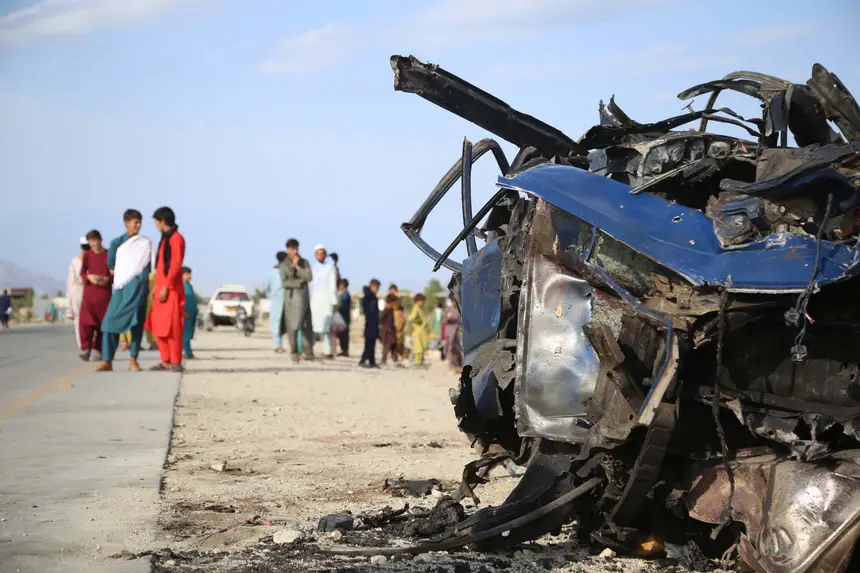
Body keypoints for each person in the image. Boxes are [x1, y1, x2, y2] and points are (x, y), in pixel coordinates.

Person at [97, 209, 153, 372]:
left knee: (137, 324)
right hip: (122, 289)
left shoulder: (145, 243)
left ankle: (133, 360)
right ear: (126, 223)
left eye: (140, 222)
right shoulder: (116, 243)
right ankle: (107, 360)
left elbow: (149, 266)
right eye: (135, 222)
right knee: (109, 323)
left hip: (140, 289)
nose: (138, 225)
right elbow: (112, 268)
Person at [146, 207, 186, 372]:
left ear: (163, 221)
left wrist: (167, 287)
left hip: (171, 290)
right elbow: (161, 266)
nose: (155, 224)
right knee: (158, 325)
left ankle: (175, 361)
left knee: (172, 327)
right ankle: (165, 360)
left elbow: (175, 265)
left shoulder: (176, 239)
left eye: (157, 221)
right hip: (160, 287)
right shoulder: (164, 239)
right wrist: (156, 287)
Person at [79, 230, 112, 361]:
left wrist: (107, 279)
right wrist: (89, 277)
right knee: (86, 322)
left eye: (95, 240)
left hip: (104, 294)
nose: (93, 244)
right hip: (89, 293)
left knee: (102, 323)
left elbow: (114, 273)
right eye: (90, 241)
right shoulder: (87, 255)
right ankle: (85, 348)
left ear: (101, 240)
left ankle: (97, 349)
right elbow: (82, 273)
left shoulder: (109, 255)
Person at [280, 238, 314, 363]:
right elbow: (285, 282)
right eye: (291, 249)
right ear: (287, 249)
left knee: (306, 327)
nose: (294, 251)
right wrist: (299, 282)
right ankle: (294, 352)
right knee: (293, 327)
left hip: (304, 298)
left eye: (296, 248)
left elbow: (309, 277)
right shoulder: (284, 265)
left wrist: (297, 266)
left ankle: (308, 353)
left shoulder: (304, 262)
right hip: (291, 299)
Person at [309, 245, 339, 359]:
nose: (320, 256)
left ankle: (328, 352)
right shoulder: (314, 268)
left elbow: (332, 286)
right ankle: (309, 351)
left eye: (322, 254)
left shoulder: (330, 267)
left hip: (327, 302)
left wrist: (334, 302)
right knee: (314, 327)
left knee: (327, 328)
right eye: (318, 254)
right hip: (314, 301)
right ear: (315, 255)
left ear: (325, 255)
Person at [66, 237, 89, 347]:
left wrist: (69, 302)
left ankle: (82, 344)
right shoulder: (91, 259)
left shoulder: (75, 261)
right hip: (86, 290)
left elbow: (70, 281)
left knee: (78, 320)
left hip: (77, 292)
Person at [267, 251, 288, 353]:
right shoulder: (286, 271)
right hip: (285, 298)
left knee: (276, 321)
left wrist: (271, 296)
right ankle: (279, 346)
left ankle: (277, 345)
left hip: (275, 298)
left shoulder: (271, 272)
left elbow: (268, 289)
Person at [359, 279, 381, 368]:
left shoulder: (373, 297)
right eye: (376, 287)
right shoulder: (368, 297)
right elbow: (369, 311)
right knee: (369, 344)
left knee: (372, 343)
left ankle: (372, 362)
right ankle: (363, 360)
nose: (377, 289)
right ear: (372, 286)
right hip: (370, 323)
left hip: (374, 323)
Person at [444, 296, 464, 372]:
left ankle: (459, 364)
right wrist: (448, 318)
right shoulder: (448, 310)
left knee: (457, 347)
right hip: (449, 330)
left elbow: (461, 320)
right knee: (450, 347)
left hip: (456, 330)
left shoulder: (459, 309)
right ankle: (452, 364)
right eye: (452, 301)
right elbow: (445, 320)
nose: (453, 303)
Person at [380, 294, 401, 367]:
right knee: (387, 346)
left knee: (394, 346)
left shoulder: (391, 309)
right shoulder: (387, 309)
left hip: (392, 331)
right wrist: (386, 327)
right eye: (395, 302)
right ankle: (383, 360)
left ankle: (395, 361)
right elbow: (380, 318)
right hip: (387, 332)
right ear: (391, 302)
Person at [409, 293, 429, 367]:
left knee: (423, 345)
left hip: (422, 330)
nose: (423, 303)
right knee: (418, 346)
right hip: (418, 330)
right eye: (422, 301)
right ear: (417, 301)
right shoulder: (416, 308)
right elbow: (411, 318)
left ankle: (421, 361)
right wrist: (418, 320)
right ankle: (418, 362)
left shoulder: (420, 308)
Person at [182, 267, 197, 360]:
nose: (190, 276)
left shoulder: (189, 286)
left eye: (190, 274)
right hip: (186, 314)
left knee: (189, 333)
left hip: (192, 314)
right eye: (187, 274)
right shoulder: (182, 286)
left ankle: (188, 351)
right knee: (186, 334)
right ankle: (187, 352)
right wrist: (183, 312)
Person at [336, 278, 351, 357]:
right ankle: (344, 350)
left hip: (344, 318)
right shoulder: (344, 294)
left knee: (344, 335)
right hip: (343, 317)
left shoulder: (345, 295)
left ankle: (345, 351)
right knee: (342, 335)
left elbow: (342, 306)